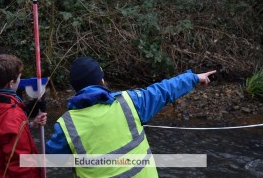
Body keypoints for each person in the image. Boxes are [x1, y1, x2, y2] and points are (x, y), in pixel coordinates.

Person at [46, 57, 216, 177]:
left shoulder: (67, 126)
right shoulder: (129, 102)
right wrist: (193, 78)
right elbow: (164, 91)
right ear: (101, 80)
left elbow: (50, 160)